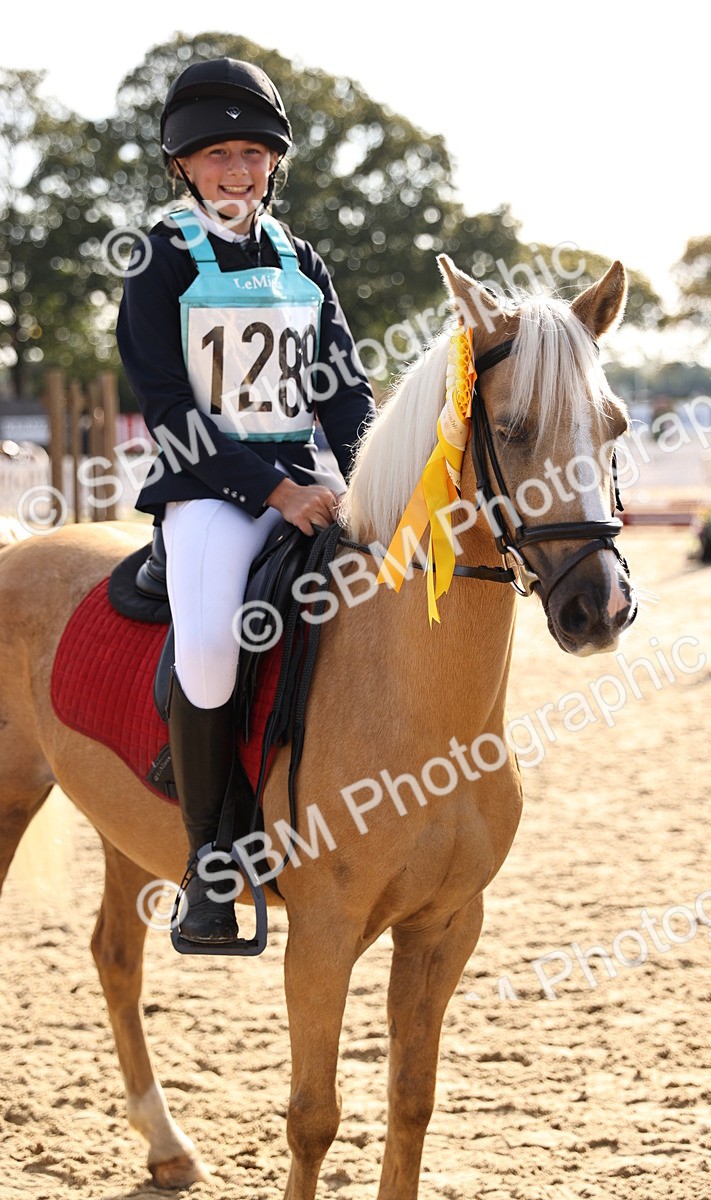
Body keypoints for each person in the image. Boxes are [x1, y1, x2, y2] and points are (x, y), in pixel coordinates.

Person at [116, 57, 375, 944]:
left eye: (253, 153)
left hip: (311, 479)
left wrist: (368, 476)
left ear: (274, 163)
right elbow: (169, 411)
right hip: (212, 491)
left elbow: (343, 392)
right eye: (217, 154)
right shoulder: (158, 258)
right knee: (214, 647)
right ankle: (208, 861)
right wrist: (273, 489)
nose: (237, 169)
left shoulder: (302, 261)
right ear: (184, 166)